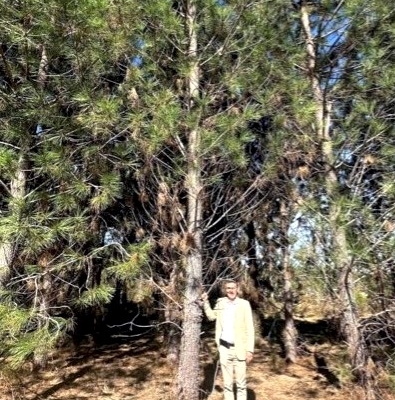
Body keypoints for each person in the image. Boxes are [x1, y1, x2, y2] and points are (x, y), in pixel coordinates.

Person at [202, 279, 254, 400]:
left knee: (241, 384)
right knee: (227, 384)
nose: (231, 290)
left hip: (240, 349)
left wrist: (250, 350)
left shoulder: (244, 304)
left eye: (233, 288)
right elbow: (211, 316)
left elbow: (250, 329)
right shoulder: (221, 303)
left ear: (237, 289)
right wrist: (205, 302)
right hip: (224, 348)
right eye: (228, 288)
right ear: (225, 290)